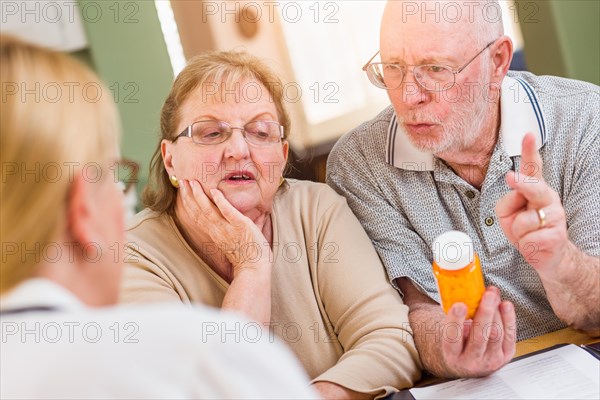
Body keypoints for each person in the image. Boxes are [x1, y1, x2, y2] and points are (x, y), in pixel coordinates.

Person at [0, 35, 319, 399]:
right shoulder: (194, 360)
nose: (238, 150)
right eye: (114, 177)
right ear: (84, 207)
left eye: (259, 132)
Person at [119, 50, 421, 398]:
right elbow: (203, 391)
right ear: (171, 160)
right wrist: (251, 267)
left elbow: (391, 339)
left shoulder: (317, 210)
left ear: (280, 156)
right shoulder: (134, 256)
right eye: (211, 132)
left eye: (260, 132)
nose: (237, 149)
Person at [327, 0, 600, 379]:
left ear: (499, 61)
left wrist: (560, 260)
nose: (409, 97)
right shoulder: (360, 164)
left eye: (435, 69)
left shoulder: (586, 118)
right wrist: (451, 349)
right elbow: (414, 311)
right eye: (392, 68)